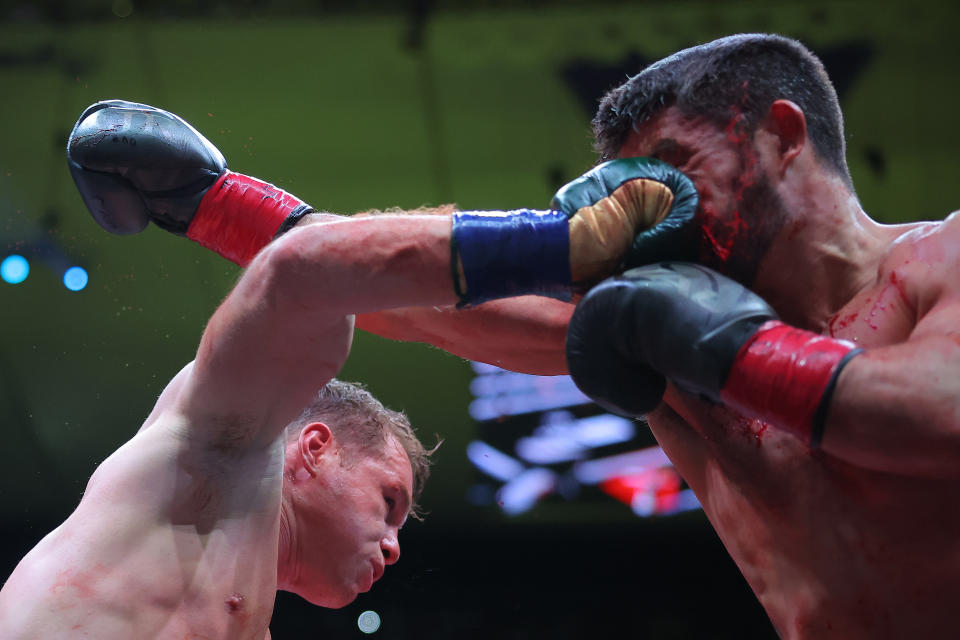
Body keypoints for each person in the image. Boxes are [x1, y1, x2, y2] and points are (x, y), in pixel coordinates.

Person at [0, 100, 691, 638]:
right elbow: (309, 270)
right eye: (388, 503)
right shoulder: (216, 445)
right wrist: (561, 249)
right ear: (315, 449)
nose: (393, 549)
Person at [565, 33, 960, 639]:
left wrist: (734, 349)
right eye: (643, 204)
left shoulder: (943, 257)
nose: (667, 220)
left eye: (679, 168)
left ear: (782, 135)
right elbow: (436, 297)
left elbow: (944, 408)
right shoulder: (668, 344)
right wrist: (540, 246)